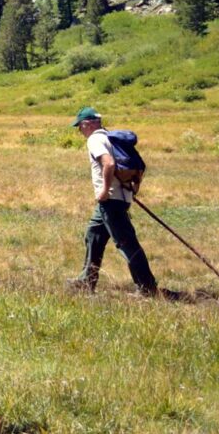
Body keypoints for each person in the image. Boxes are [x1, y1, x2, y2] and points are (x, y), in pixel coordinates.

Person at [66, 107, 158, 296]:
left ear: (88, 124)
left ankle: (147, 288)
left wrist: (104, 190)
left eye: (80, 127)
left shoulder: (95, 139)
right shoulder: (110, 137)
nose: (79, 131)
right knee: (93, 235)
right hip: (119, 198)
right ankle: (86, 281)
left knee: (126, 243)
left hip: (111, 200)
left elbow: (108, 163)